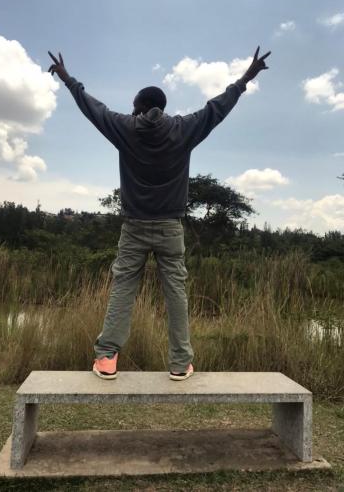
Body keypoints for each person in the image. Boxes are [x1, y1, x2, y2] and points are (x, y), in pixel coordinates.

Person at [48, 46, 271, 381]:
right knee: (176, 294)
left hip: (134, 227)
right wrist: (245, 78)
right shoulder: (183, 129)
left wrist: (69, 80)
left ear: (140, 107)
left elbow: (93, 109)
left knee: (123, 288)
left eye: (133, 106)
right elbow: (217, 109)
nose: (131, 110)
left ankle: (107, 358)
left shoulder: (125, 128)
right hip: (170, 227)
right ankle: (180, 363)